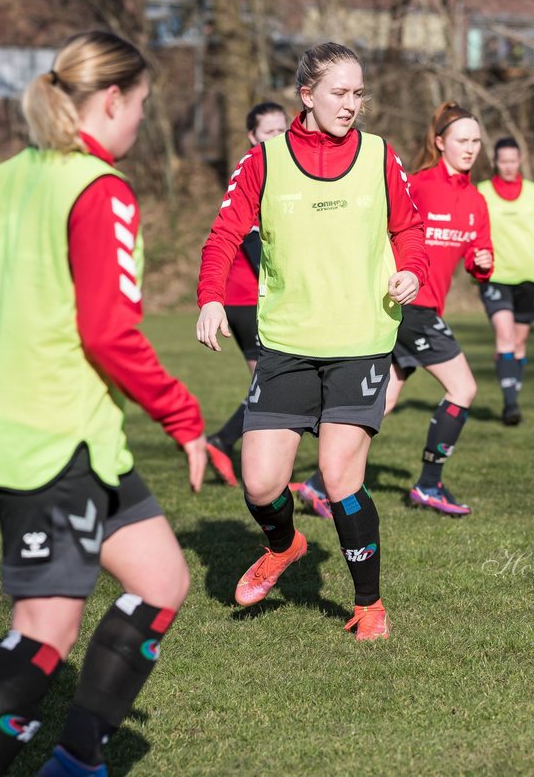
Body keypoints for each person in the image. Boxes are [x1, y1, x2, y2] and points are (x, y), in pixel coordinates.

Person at [0, 30, 207, 777]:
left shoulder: (1, 179)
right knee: (45, 633)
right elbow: (109, 333)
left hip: (78, 440)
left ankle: (75, 762)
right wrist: (182, 416)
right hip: (53, 443)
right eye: (140, 105)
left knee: (162, 581)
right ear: (112, 100)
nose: (141, 121)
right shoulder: (99, 190)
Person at [196, 42, 427, 641]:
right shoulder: (264, 161)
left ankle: (368, 605)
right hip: (287, 345)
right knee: (261, 483)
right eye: (339, 93)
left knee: (338, 473)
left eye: (358, 94)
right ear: (307, 95)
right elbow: (224, 233)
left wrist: (412, 270)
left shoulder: (379, 157)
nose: (351, 105)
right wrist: (211, 297)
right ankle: (286, 544)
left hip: (360, 340)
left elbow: (409, 228)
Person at [288, 101, 493, 518]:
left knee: (382, 403)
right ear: (440, 143)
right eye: (462, 140)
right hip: (405, 304)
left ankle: (315, 485)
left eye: (475, 141)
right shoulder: (417, 184)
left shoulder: (476, 200)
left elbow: (478, 256)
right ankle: (429, 486)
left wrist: (483, 264)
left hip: (427, 307)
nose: (470, 148)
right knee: (464, 388)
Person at [204, 102, 290, 487]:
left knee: (269, 386)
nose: (278, 136)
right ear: (252, 138)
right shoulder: (257, 172)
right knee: (274, 387)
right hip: (248, 300)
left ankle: (228, 446)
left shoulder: (281, 169)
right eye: (269, 131)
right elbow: (254, 247)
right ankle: (236, 450)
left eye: (282, 129)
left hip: (248, 300)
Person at [476, 137, 534, 425]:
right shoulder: (483, 192)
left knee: (520, 341)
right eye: (503, 162)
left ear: (521, 160)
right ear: (496, 162)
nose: (509, 166)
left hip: (528, 276)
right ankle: (510, 405)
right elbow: (468, 223)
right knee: (505, 335)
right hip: (496, 276)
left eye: (513, 161)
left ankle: (512, 389)